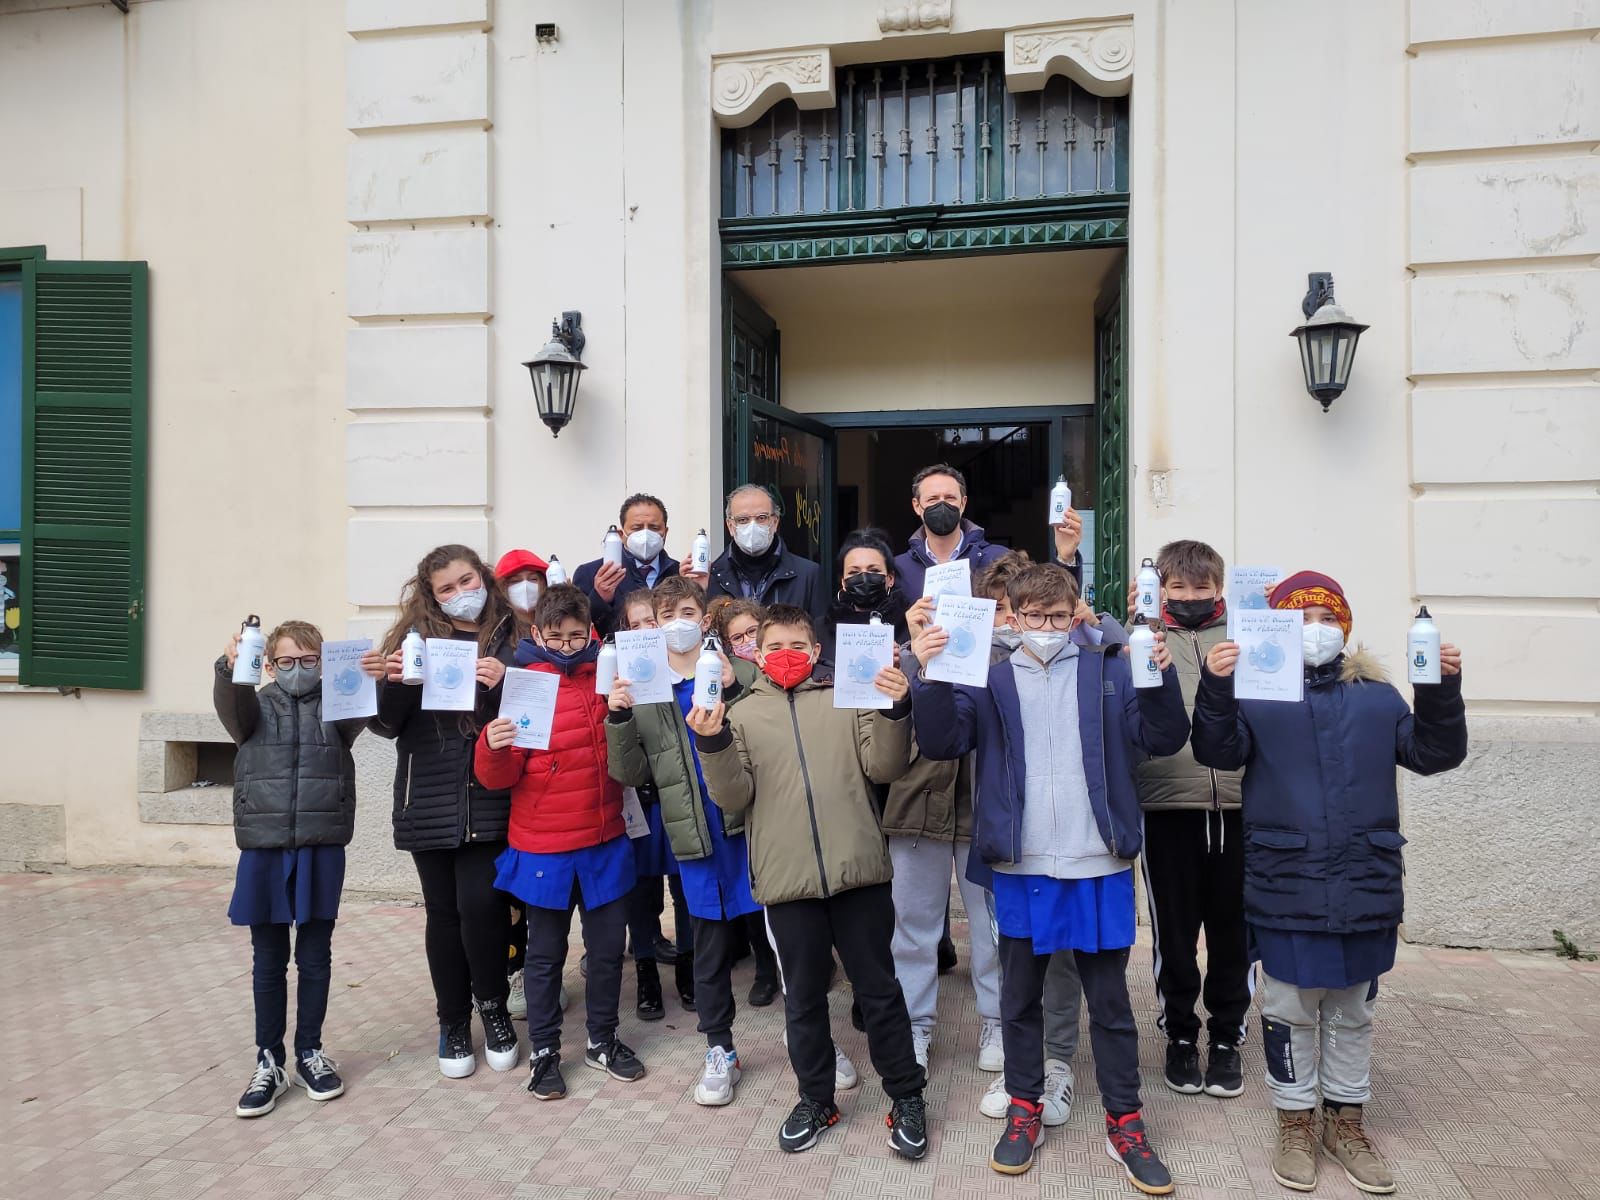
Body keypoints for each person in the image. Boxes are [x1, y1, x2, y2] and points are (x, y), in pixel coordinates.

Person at [911, 563, 1189, 1192]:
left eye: (1058, 617)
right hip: (1022, 861)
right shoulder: (989, 676)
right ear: (1010, 616)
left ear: (1076, 615)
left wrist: (1161, 679)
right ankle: (1024, 1107)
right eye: (1032, 618)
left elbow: (1165, 737)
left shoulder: (1110, 671)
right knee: (1019, 999)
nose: (1045, 629)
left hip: (1099, 860)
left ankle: (1126, 1122)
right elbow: (941, 741)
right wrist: (926, 674)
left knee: (1111, 1005)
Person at [1191, 571, 1466, 1195]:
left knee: (1352, 1009)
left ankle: (1347, 1122)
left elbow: (1432, 754)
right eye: (1302, 620)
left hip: (1364, 877)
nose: (1315, 631)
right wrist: (1216, 685)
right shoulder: (1260, 692)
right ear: (1284, 627)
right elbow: (1218, 750)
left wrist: (1442, 691)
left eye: (1326, 619)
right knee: (1288, 1007)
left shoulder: (1377, 696)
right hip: (1287, 878)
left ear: (1344, 626)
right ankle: (1294, 1121)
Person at [689, 604, 928, 1160]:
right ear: (756, 654)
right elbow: (732, 798)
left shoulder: (847, 698)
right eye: (773, 648)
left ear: (817, 651)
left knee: (880, 991)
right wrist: (713, 743)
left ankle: (907, 1096)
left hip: (859, 872)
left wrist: (897, 706)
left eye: (797, 645)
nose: (786, 656)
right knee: (803, 999)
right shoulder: (740, 715)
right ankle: (816, 1098)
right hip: (787, 879)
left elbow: (884, 767)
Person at [606, 576, 779, 1105]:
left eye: (687, 610)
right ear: (653, 628)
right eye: (665, 615)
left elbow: (770, 737)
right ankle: (719, 1048)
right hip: (695, 838)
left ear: (704, 619)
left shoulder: (740, 672)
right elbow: (630, 771)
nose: (677, 621)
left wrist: (733, 688)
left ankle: (811, 1037)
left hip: (752, 827)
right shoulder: (645, 689)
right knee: (707, 949)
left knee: (784, 938)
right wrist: (617, 716)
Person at [477, 583, 647, 1100]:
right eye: (558, 638)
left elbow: (631, 755)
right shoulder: (525, 684)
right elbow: (498, 777)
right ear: (537, 634)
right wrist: (492, 746)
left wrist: (623, 711)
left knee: (605, 952)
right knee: (545, 956)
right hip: (543, 847)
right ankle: (546, 1050)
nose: (570, 646)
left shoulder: (610, 678)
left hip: (604, 840)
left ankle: (602, 1039)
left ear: (592, 633)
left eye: (578, 637)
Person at [217, 619, 381, 1117]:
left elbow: (371, 715)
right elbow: (232, 705)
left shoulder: (340, 703)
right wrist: (228, 670)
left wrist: (373, 675)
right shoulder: (254, 705)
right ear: (268, 663)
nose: (297, 670)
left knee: (314, 956)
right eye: (285, 662)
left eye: (310, 661)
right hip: (263, 847)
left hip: (321, 843)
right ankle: (269, 1059)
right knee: (268, 959)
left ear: (323, 662)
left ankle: (310, 1051)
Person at [372, 545, 519, 1080]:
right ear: (430, 596)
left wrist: (507, 679)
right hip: (428, 797)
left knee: (483, 908)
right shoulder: (412, 642)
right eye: (447, 588)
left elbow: (535, 713)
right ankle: (452, 1021)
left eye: (467, 580)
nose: (461, 593)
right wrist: (391, 684)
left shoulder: (513, 636)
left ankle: (494, 1009)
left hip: (491, 796)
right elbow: (385, 726)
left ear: (484, 577)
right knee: (443, 914)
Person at [1122, 540, 1253, 1100]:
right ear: (1162, 589)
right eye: (1179, 587)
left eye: (1202, 587)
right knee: (1174, 936)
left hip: (1242, 806)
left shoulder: (1245, 634)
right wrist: (1131, 621)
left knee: (1234, 934)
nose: (1192, 597)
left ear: (1219, 589)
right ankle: (1179, 1034)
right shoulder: (1142, 639)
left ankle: (1226, 1036)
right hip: (1167, 807)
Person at [614, 589, 696, 1016]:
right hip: (640, 801)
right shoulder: (620, 678)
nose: (647, 631)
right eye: (636, 624)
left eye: (654, 622)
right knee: (642, 891)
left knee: (686, 888)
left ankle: (688, 966)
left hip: (679, 798)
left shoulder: (689, 671)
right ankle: (645, 969)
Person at [892, 464, 1087, 600]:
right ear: (917, 506)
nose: (942, 504)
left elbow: (1048, 603)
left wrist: (1065, 557)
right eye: (933, 499)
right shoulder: (898, 569)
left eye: (950, 497)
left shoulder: (1000, 559)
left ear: (963, 503)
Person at [705, 483, 826, 627]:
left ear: (775, 522)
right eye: (743, 520)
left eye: (761, 517)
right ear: (730, 526)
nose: (752, 526)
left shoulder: (808, 575)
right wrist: (697, 590)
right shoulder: (712, 575)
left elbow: (819, 636)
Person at [573, 493, 682, 637]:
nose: (646, 535)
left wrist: (699, 587)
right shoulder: (590, 573)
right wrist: (600, 598)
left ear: (665, 532)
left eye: (654, 528)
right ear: (621, 534)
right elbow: (576, 629)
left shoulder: (680, 573)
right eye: (637, 528)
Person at [818, 528, 912, 666]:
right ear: (843, 582)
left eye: (874, 570)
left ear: (890, 578)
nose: (864, 577)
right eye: (854, 572)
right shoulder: (822, 628)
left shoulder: (909, 625)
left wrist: (903, 663)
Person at [496, 548, 550, 636]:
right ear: (502, 588)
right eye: (515, 581)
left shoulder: (558, 621)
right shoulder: (496, 630)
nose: (525, 587)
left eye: (533, 579)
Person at [710, 596, 764, 665]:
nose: (747, 640)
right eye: (737, 637)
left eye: (752, 631)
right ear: (728, 643)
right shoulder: (731, 671)